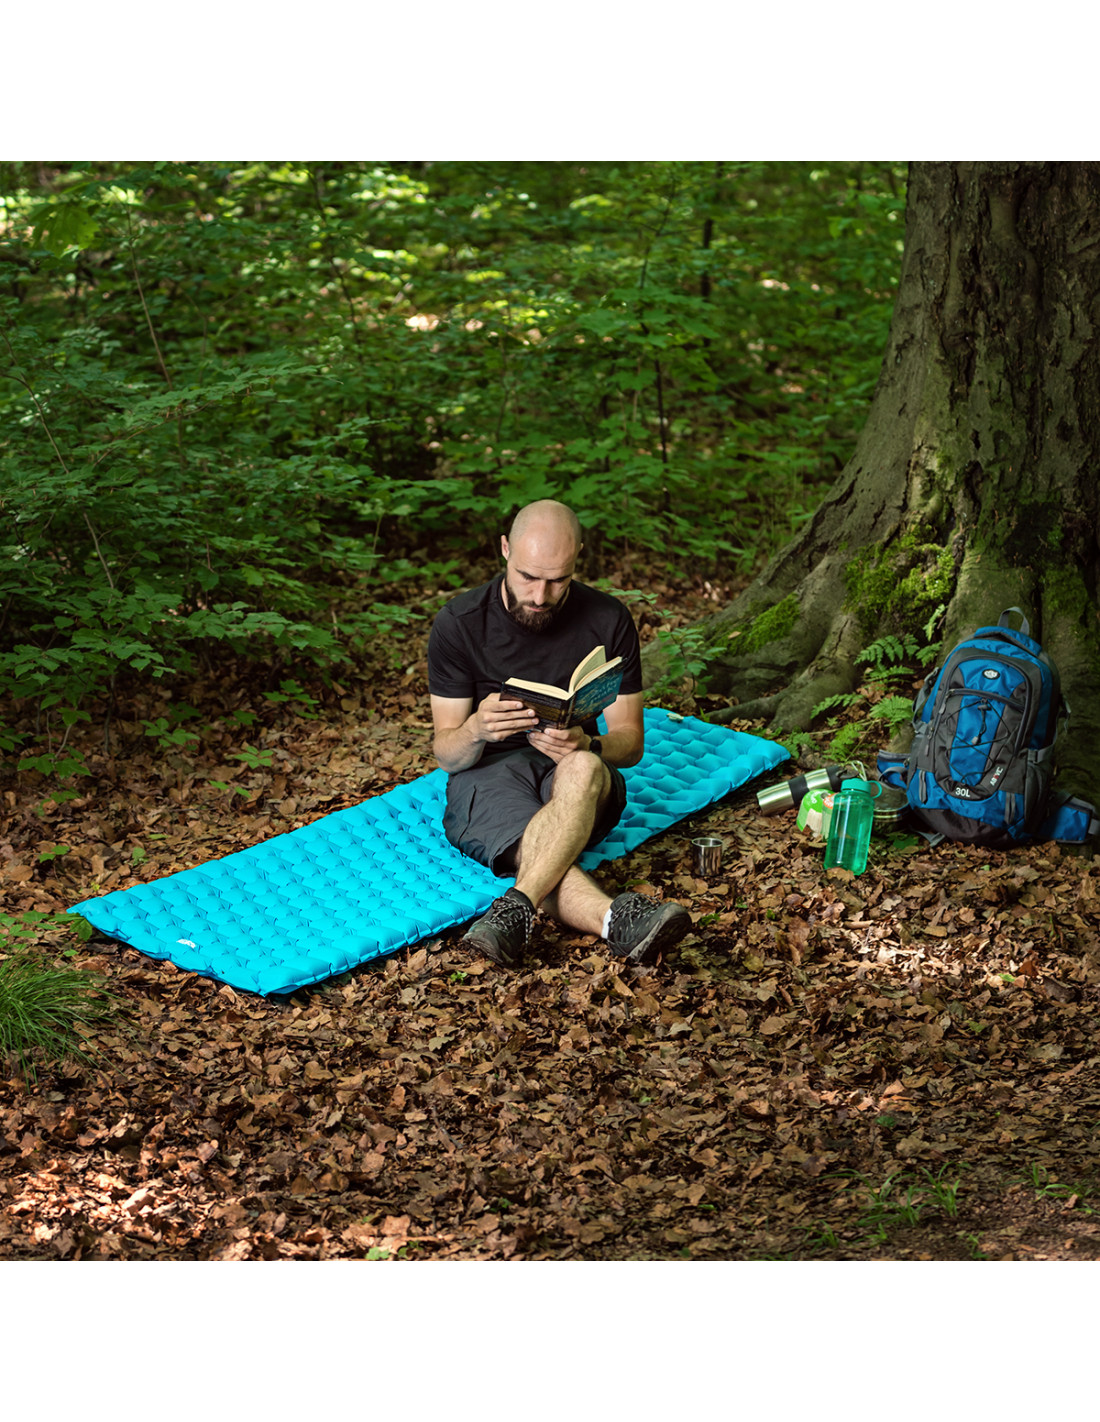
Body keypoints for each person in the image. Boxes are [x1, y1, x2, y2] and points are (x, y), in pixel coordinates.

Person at [428, 499, 690, 968]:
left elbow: (630, 742)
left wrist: (589, 743)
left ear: (577, 558)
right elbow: (447, 754)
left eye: (558, 580)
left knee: (585, 766)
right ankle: (618, 920)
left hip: (576, 776)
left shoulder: (608, 619)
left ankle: (516, 906)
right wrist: (475, 729)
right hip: (489, 774)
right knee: (545, 847)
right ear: (505, 549)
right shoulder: (459, 623)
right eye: (528, 576)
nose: (540, 595)